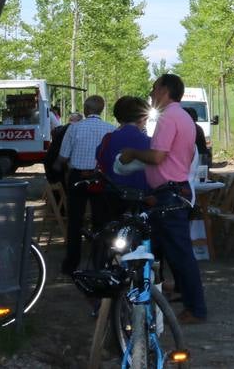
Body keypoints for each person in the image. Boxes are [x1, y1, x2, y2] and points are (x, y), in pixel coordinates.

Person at [119, 73, 208, 323]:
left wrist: (133, 153)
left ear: (165, 90)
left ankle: (195, 308)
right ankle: (152, 302)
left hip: (168, 194)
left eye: (154, 88)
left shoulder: (169, 117)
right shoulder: (183, 117)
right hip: (171, 192)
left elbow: (158, 156)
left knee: (179, 255)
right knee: (160, 251)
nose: (151, 93)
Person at [58, 95, 115, 275]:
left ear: (85, 109)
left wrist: (58, 167)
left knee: (75, 221)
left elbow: (63, 156)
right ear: (102, 109)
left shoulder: (74, 128)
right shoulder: (110, 129)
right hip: (100, 177)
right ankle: (99, 261)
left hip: (77, 176)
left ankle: (71, 263)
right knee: (100, 220)